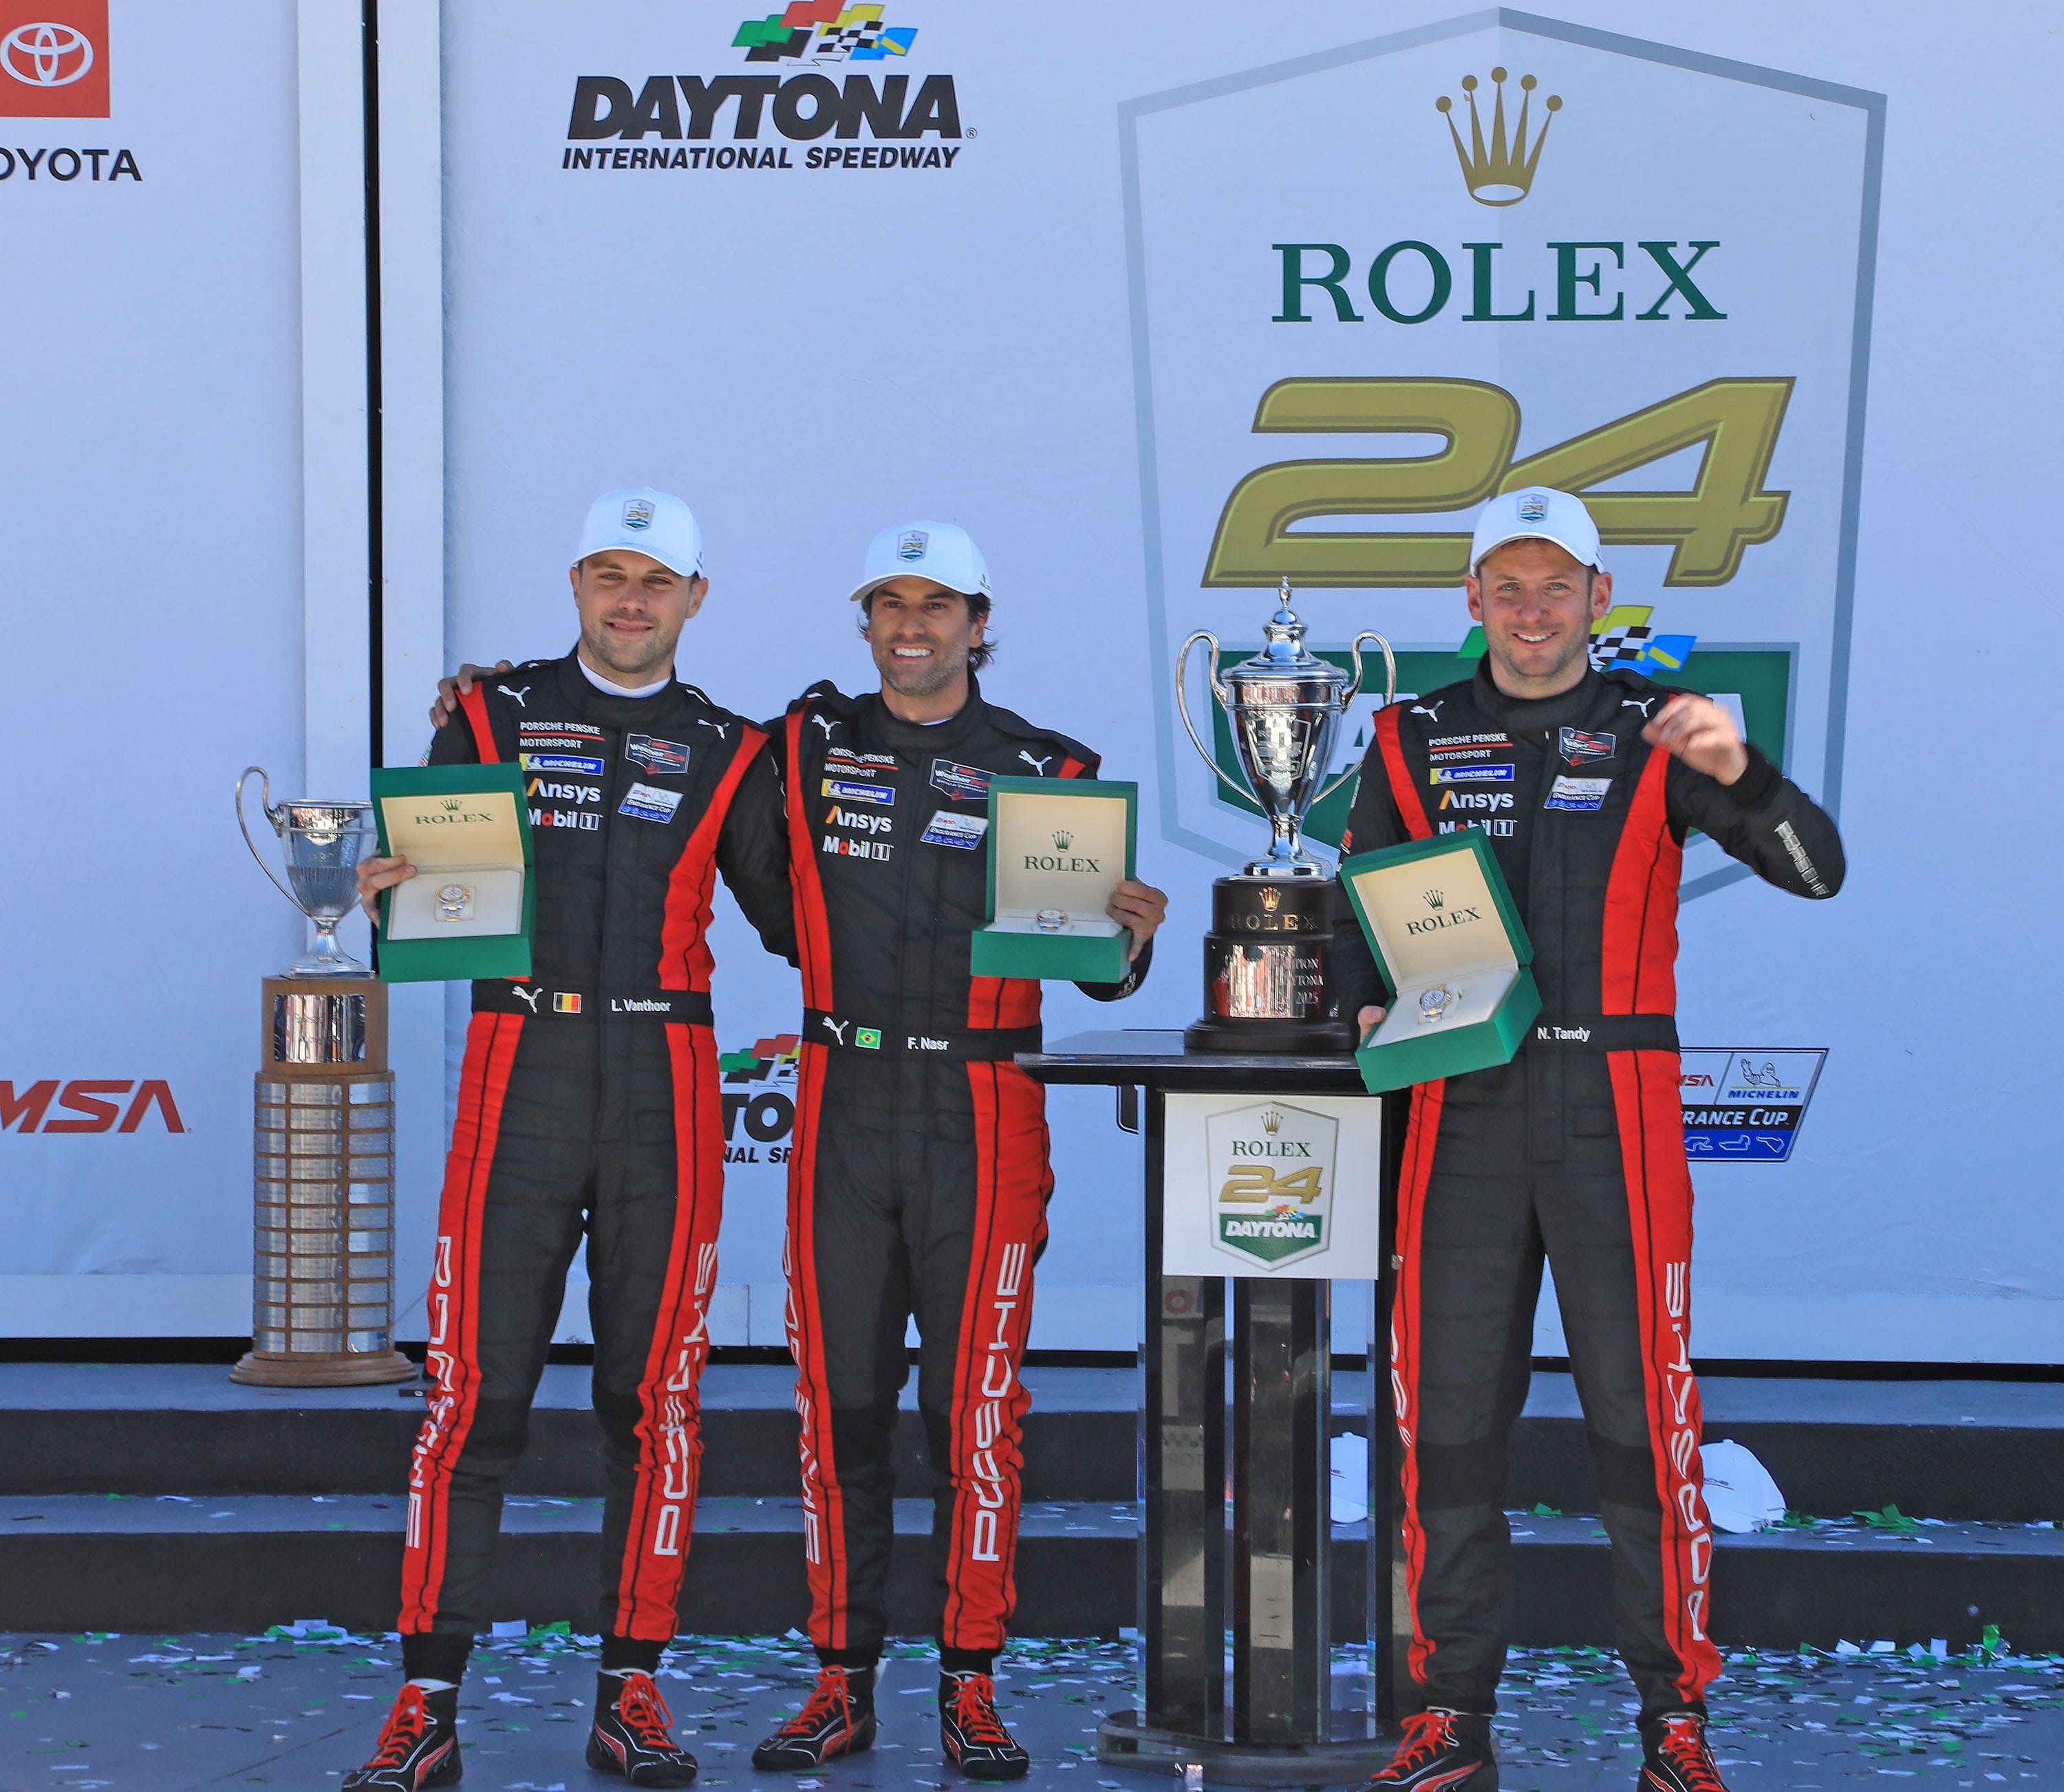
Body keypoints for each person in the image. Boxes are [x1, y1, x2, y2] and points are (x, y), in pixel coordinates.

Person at [1333, 488, 1843, 1792]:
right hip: (1457, 1108)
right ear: (1470, 600)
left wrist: (1741, 772)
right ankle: (1452, 1714)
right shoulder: (1409, 737)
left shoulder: (1658, 730)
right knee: (1445, 1424)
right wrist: (1365, 998)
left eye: (1557, 584)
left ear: (1599, 598)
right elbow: (1354, 925)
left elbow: (1817, 868)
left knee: (1642, 1423)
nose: (1533, 608)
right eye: (1507, 584)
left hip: (1615, 1106)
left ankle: (1675, 1718)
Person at [344, 488, 797, 1791]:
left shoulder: (734, 747)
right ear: (576, 583)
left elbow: (800, 917)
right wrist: (377, 891)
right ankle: (425, 1699)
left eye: (657, 580)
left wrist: (1036, 912)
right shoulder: (485, 714)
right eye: (609, 573)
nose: (631, 599)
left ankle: (632, 1691)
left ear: (697, 598)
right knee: (470, 1395)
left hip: (666, 1068)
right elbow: (421, 903)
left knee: (651, 1400)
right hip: (519, 1058)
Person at [748, 521, 1167, 1780]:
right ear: (866, 621)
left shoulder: (1050, 767)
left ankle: (971, 1685)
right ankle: (838, 1681)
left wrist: (1130, 938)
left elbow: (1091, 973)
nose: (914, 626)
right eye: (891, 604)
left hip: (985, 1112)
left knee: (976, 1416)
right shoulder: (807, 743)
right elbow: (747, 861)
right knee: (840, 1411)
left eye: (940, 606)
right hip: (842, 1095)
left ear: (981, 622)